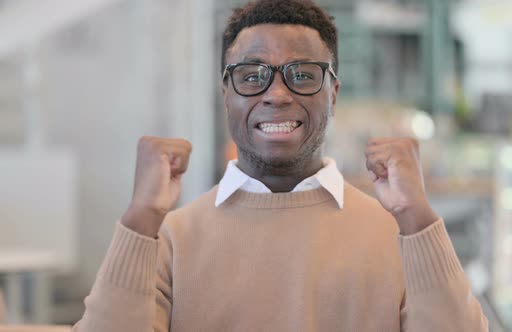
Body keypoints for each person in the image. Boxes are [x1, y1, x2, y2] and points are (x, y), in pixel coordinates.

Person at [74, 0, 488, 330]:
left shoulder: (398, 236)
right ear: (226, 95)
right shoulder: (169, 238)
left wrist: (418, 221)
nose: (276, 94)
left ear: (334, 93)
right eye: (251, 75)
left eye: (303, 75)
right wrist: (138, 221)